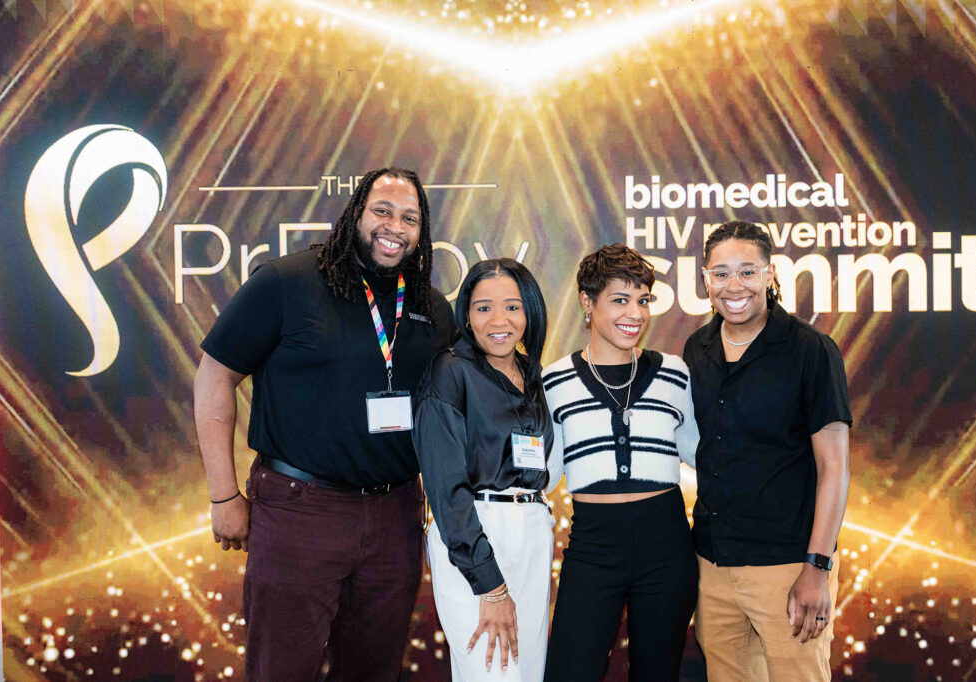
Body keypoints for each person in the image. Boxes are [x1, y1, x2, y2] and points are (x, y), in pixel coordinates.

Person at [193, 168, 457, 681]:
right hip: (300, 511)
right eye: (382, 211)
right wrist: (223, 495)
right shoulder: (287, 282)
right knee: (281, 671)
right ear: (356, 213)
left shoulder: (432, 306)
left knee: (373, 672)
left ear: (422, 231)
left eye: (410, 218)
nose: (394, 227)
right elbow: (214, 376)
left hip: (395, 517)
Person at [684, 220, 852, 682]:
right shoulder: (697, 349)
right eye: (720, 273)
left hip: (789, 566)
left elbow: (834, 467)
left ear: (770, 274)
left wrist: (817, 567)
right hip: (713, 566)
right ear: (705, 279)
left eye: (747, 271)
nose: (733, 286)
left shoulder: (811, 350)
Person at [542, 243, 700, 681]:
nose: (635, 313)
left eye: (643, 301)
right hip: (593, 546)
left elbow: (702, 454)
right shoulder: (553, 381)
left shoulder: (674, 373)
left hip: (668, 545)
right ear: (587, 302)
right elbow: (544, 475)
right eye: (620, 300)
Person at [414, 259, 555, 681]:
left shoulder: (531, 374)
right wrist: (490, 586)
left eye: (512, 307)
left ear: (530, 312)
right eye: (483, 308)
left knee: (526, 673)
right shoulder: (449, 371)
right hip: (476, 536)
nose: (499, 321)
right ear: (466, 315)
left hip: (532, 532)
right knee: (493, 672)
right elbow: (446, 490)